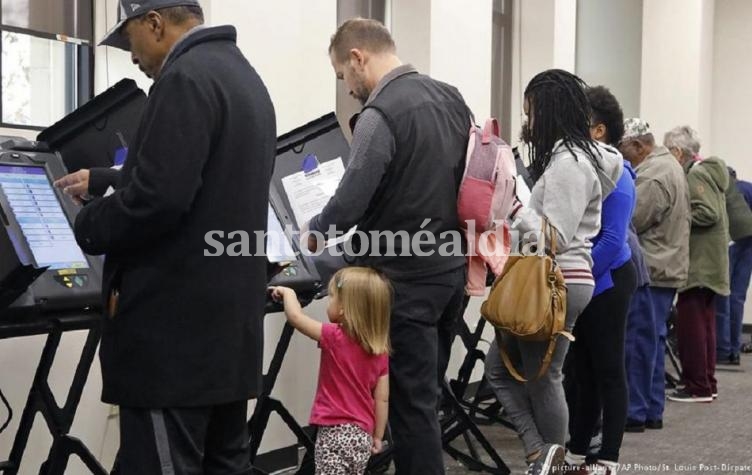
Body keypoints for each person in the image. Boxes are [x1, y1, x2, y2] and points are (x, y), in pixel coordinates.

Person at [64, 1, 277, 472]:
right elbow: (206, 180)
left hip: (173, 344)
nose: (133, 57)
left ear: (155, 23)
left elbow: (158, 201)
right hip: (225, 337)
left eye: (129, 40)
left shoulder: (184, 79)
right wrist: (105, 179)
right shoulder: (243, 78)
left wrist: (86, 222)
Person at [307, 19, 470, 475]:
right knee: (424, 399)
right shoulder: (451, 98)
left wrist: (317, 229)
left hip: (403, 282)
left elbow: (352, 197)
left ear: (358, 57)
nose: (348, 87)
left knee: (411, 411)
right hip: (448, 275)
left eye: (343, 75)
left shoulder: (381, 114)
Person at [484, 70, 623, 475]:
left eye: (530, 114)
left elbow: (553, 236)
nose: (527, 124)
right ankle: (541, 456)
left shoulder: (570, 163)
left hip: (554, 280)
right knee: (501, 370)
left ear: (550, 112)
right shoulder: (576, 159)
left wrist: (513, 207)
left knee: (544, 378)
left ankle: (551, 461)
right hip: (560, 279)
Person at [564, 86, 637, 475]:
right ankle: (577, 450)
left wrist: (575, 278)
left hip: (608, 281)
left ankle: (608, 456)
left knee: (609, 370)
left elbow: (611, 240)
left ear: (599, 131)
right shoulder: (580, 168)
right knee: (582, 372)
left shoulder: (620, 172)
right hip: (587, 278)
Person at [271, 267, 391, 475]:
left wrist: (288, 293)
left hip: (334, 433)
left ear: (344, 308)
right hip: (363, 434)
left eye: (332, 297)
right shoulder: (380, 350)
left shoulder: (334, 336)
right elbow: (382, 399)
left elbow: (296, 318)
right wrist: (378, 436)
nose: (328, 301)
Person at [618, 119, 690, 428]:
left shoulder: (653, 174)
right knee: (653, 341)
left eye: (623, 150)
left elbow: (631, 220)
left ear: (638, 145)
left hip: (653, 268)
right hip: (666, 265)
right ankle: (650, 410)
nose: (620, 156)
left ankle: (634, 411)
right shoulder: (668, 165)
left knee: (637, 341)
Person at [663, 126, 729, 402]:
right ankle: (706, 383)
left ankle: (697, 386)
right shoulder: (706, 171)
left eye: (668, 152)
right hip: (711, 263)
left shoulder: (695, 174)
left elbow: (708, 212)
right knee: (705, 326)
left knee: (692, 328)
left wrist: (679, 215)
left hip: (700, 264)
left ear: (678, 152)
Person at [716, 167, 752, 366]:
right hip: (749, 243)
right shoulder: (748, 187)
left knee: (723, 295)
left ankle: (723, 350)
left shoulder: (724, 189)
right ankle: (735, 349)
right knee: (738, 297)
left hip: (730, 243)